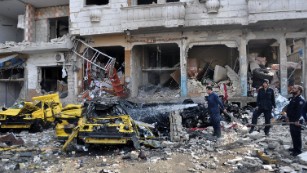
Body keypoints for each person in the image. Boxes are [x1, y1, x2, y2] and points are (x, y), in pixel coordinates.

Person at [285, 85, 305, 156]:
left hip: (297, 120)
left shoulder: (300, 100)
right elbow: (289, 108)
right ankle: (295, 148)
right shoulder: (293, 98)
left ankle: (298, 150)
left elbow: (300, 112)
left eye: (295, 88)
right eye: (293, 88)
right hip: (292, 119)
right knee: (293, 134)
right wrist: (287, 116)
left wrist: (298, 120)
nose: (293, 89)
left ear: (299, 91)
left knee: (297, 135)